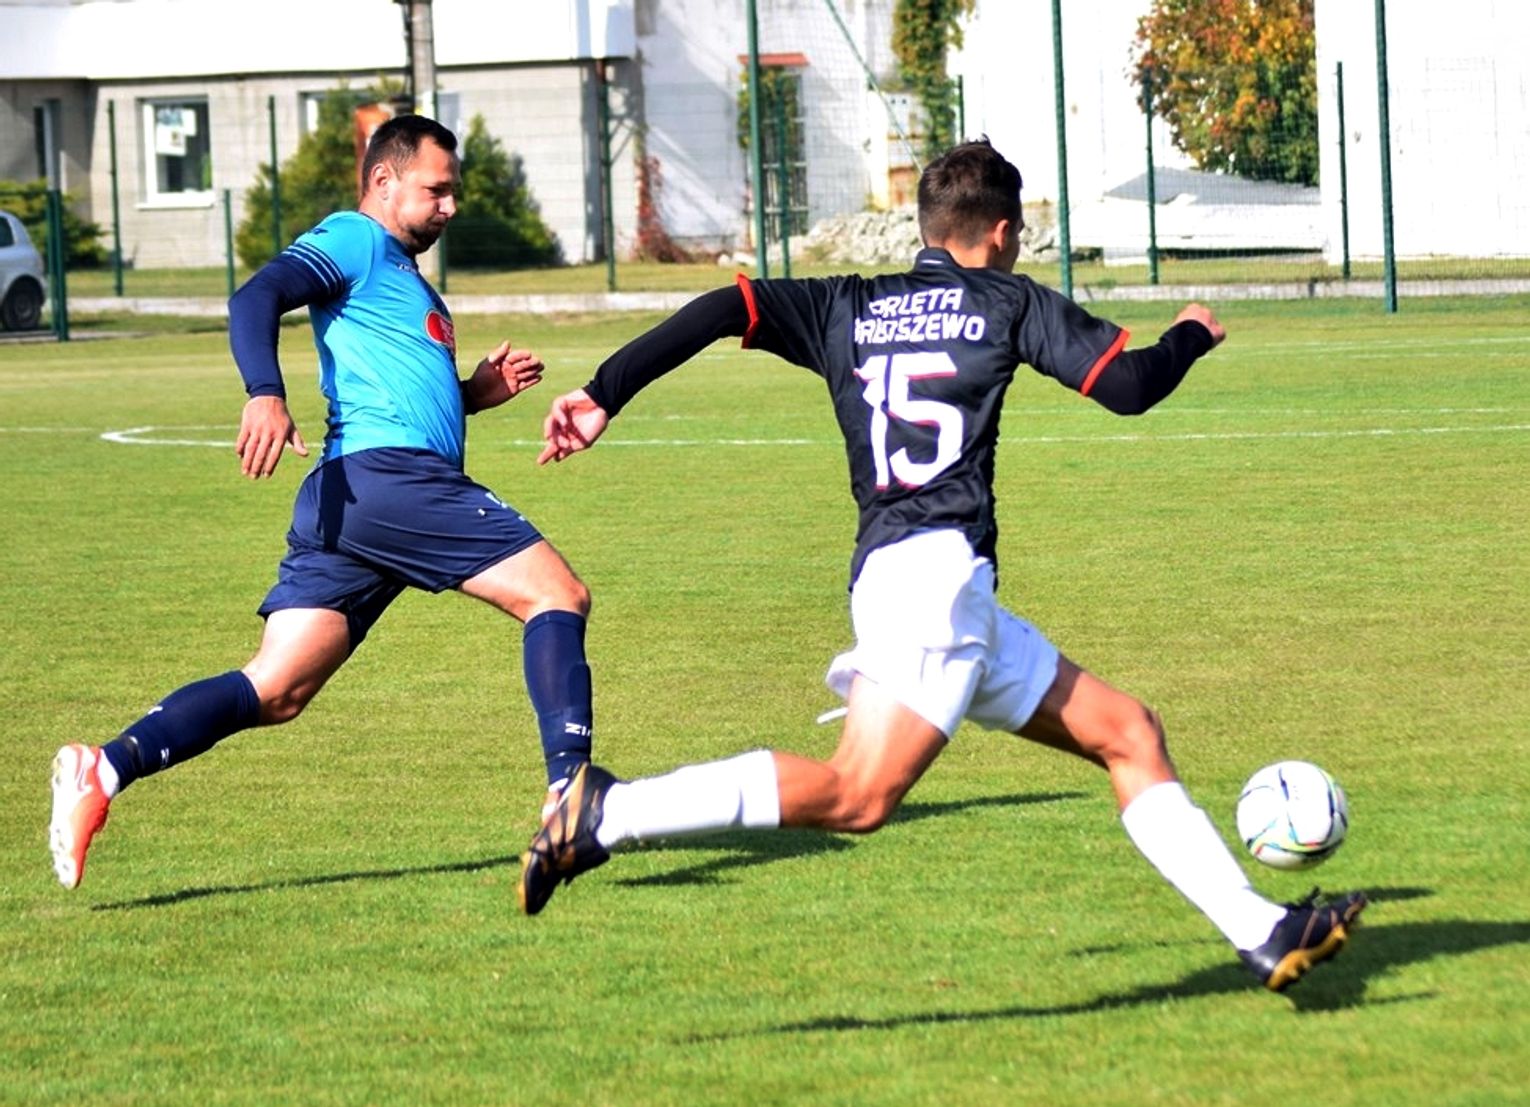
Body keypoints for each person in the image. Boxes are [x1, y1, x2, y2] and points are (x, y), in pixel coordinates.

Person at [518, 138, 1365, 993]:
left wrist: (604, 391)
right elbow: (1130, 386)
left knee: (1128, 732)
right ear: (1001, 232)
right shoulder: (1005, 300)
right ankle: (609, 810)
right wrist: (1190, 333)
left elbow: (722, 306)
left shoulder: (848, 305)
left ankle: (1261, 929)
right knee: (857, 794)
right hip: (937, 583)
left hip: (918, 583)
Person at [49, 114, 596, 890]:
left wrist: (471, 393)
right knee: (557, 594)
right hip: (390, 480)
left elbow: (395, 390)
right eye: (436, 190)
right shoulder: (354, 237)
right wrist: (264, 392)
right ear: (384, 180)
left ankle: (102, 768)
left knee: (277, 689)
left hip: (354, 498)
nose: (450, 206)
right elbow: (258, 294)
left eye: (454, 193)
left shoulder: (405, 277)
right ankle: (570, 793)